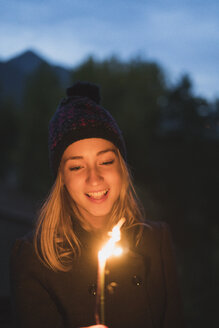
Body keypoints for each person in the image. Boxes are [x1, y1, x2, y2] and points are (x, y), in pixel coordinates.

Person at [10, 82, 184, 328]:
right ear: (62, 179)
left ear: (121, 167)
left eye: (105, 162)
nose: (94, 178)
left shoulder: (156, 241)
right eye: (77, 166)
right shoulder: (33, 258)